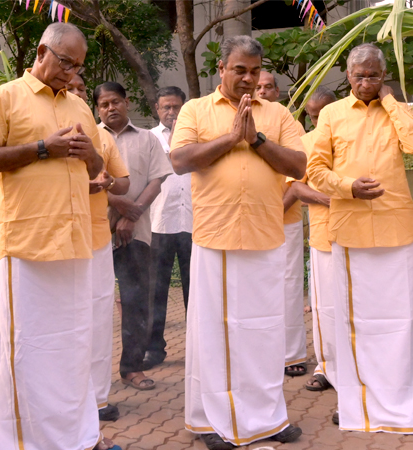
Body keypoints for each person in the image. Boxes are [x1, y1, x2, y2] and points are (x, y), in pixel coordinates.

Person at [0, 23, 120, 450]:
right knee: (26, 351)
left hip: (75, 243)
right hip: (29, 245)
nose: (71, 73)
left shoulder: (79, 106)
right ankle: (23, 441)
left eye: (77, 66)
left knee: (72, 349)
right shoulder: (5, 97)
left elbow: (99, 168)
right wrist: (42, 148)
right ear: (42, 52)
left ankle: (77, 436)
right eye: (66, 63)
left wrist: (91, 157)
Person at [170, 35, 306, 449]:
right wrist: (231, 139)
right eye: (239, 70)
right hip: (216, 237)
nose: (248, 78)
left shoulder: (278, 113)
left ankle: (267, 418)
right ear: (222, 69)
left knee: (264, 333)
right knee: (215, 334)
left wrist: (257, 140)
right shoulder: (196, 110)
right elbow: (179, 160)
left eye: (254, 71)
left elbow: (299, 165)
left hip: (265, 236)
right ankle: (211, 420)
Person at [307, 43, 413, 433]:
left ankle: (401, 407)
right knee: (354, 324)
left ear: (383, 75)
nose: (365, 82)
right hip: (350, 229)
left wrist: (390, 101)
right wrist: (348, 188)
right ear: (348, 75)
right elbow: (316, 169)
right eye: (359, 75)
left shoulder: (396, 109)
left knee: (401, 322)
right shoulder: (331, 114)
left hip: (396, 230)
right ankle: (357, 406)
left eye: (373, 75)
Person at [94, 81, 173, 392]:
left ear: (126, 102)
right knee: (92, 302)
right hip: (94, 231)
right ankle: (91, 374)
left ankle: (132, 368)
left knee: (136, 300)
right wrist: (117, 203)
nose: (110, 108)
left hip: (136, 232)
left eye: (115, 101)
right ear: (97, 109)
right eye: (104, 104)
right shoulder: (90, 138)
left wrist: (132, 215)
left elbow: (157, 180)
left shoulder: (147, 139)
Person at [67, 74, 131, 423]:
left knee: (98, 320)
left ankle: (97, 398)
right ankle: (65, 399)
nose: (75, 93)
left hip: (96, 240)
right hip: (57, 243)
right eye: (70, 88)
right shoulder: (45, 134)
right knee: (64, 323)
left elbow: (123, 183)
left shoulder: (102, 138)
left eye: (80, 88)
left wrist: (107, 182)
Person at [256, 71, 308, 377]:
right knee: (256, 287)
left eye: (267, 87)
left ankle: (291, 355)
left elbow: (296, 177)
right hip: (249, 222)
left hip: (284, 219)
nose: (262, 91)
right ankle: (260, 354)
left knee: (288, 286)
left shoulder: (289, 123)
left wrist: (273, 213)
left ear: (277, 92)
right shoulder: (238, 119)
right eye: (258, 87)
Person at [145, 86, 191, 370]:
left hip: (194, 223)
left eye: (176, 107)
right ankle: (153, 349)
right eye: (167, 107)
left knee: (195, 290)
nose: (172, 112)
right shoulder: (148, 139)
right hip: (159, 222)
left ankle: (198, 348)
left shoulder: (197, 137)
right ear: (157, 109)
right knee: (155, 290)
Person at [300, 87, 338, 393]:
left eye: (322, 114)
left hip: (363, 237)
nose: (317, 122)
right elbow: (295, 187)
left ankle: (359, 369)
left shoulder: (354, 135)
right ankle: (326, 368)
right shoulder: (305, 142)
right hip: (324, 237)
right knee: (325, 309)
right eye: (312, 116)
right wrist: (329, 199)